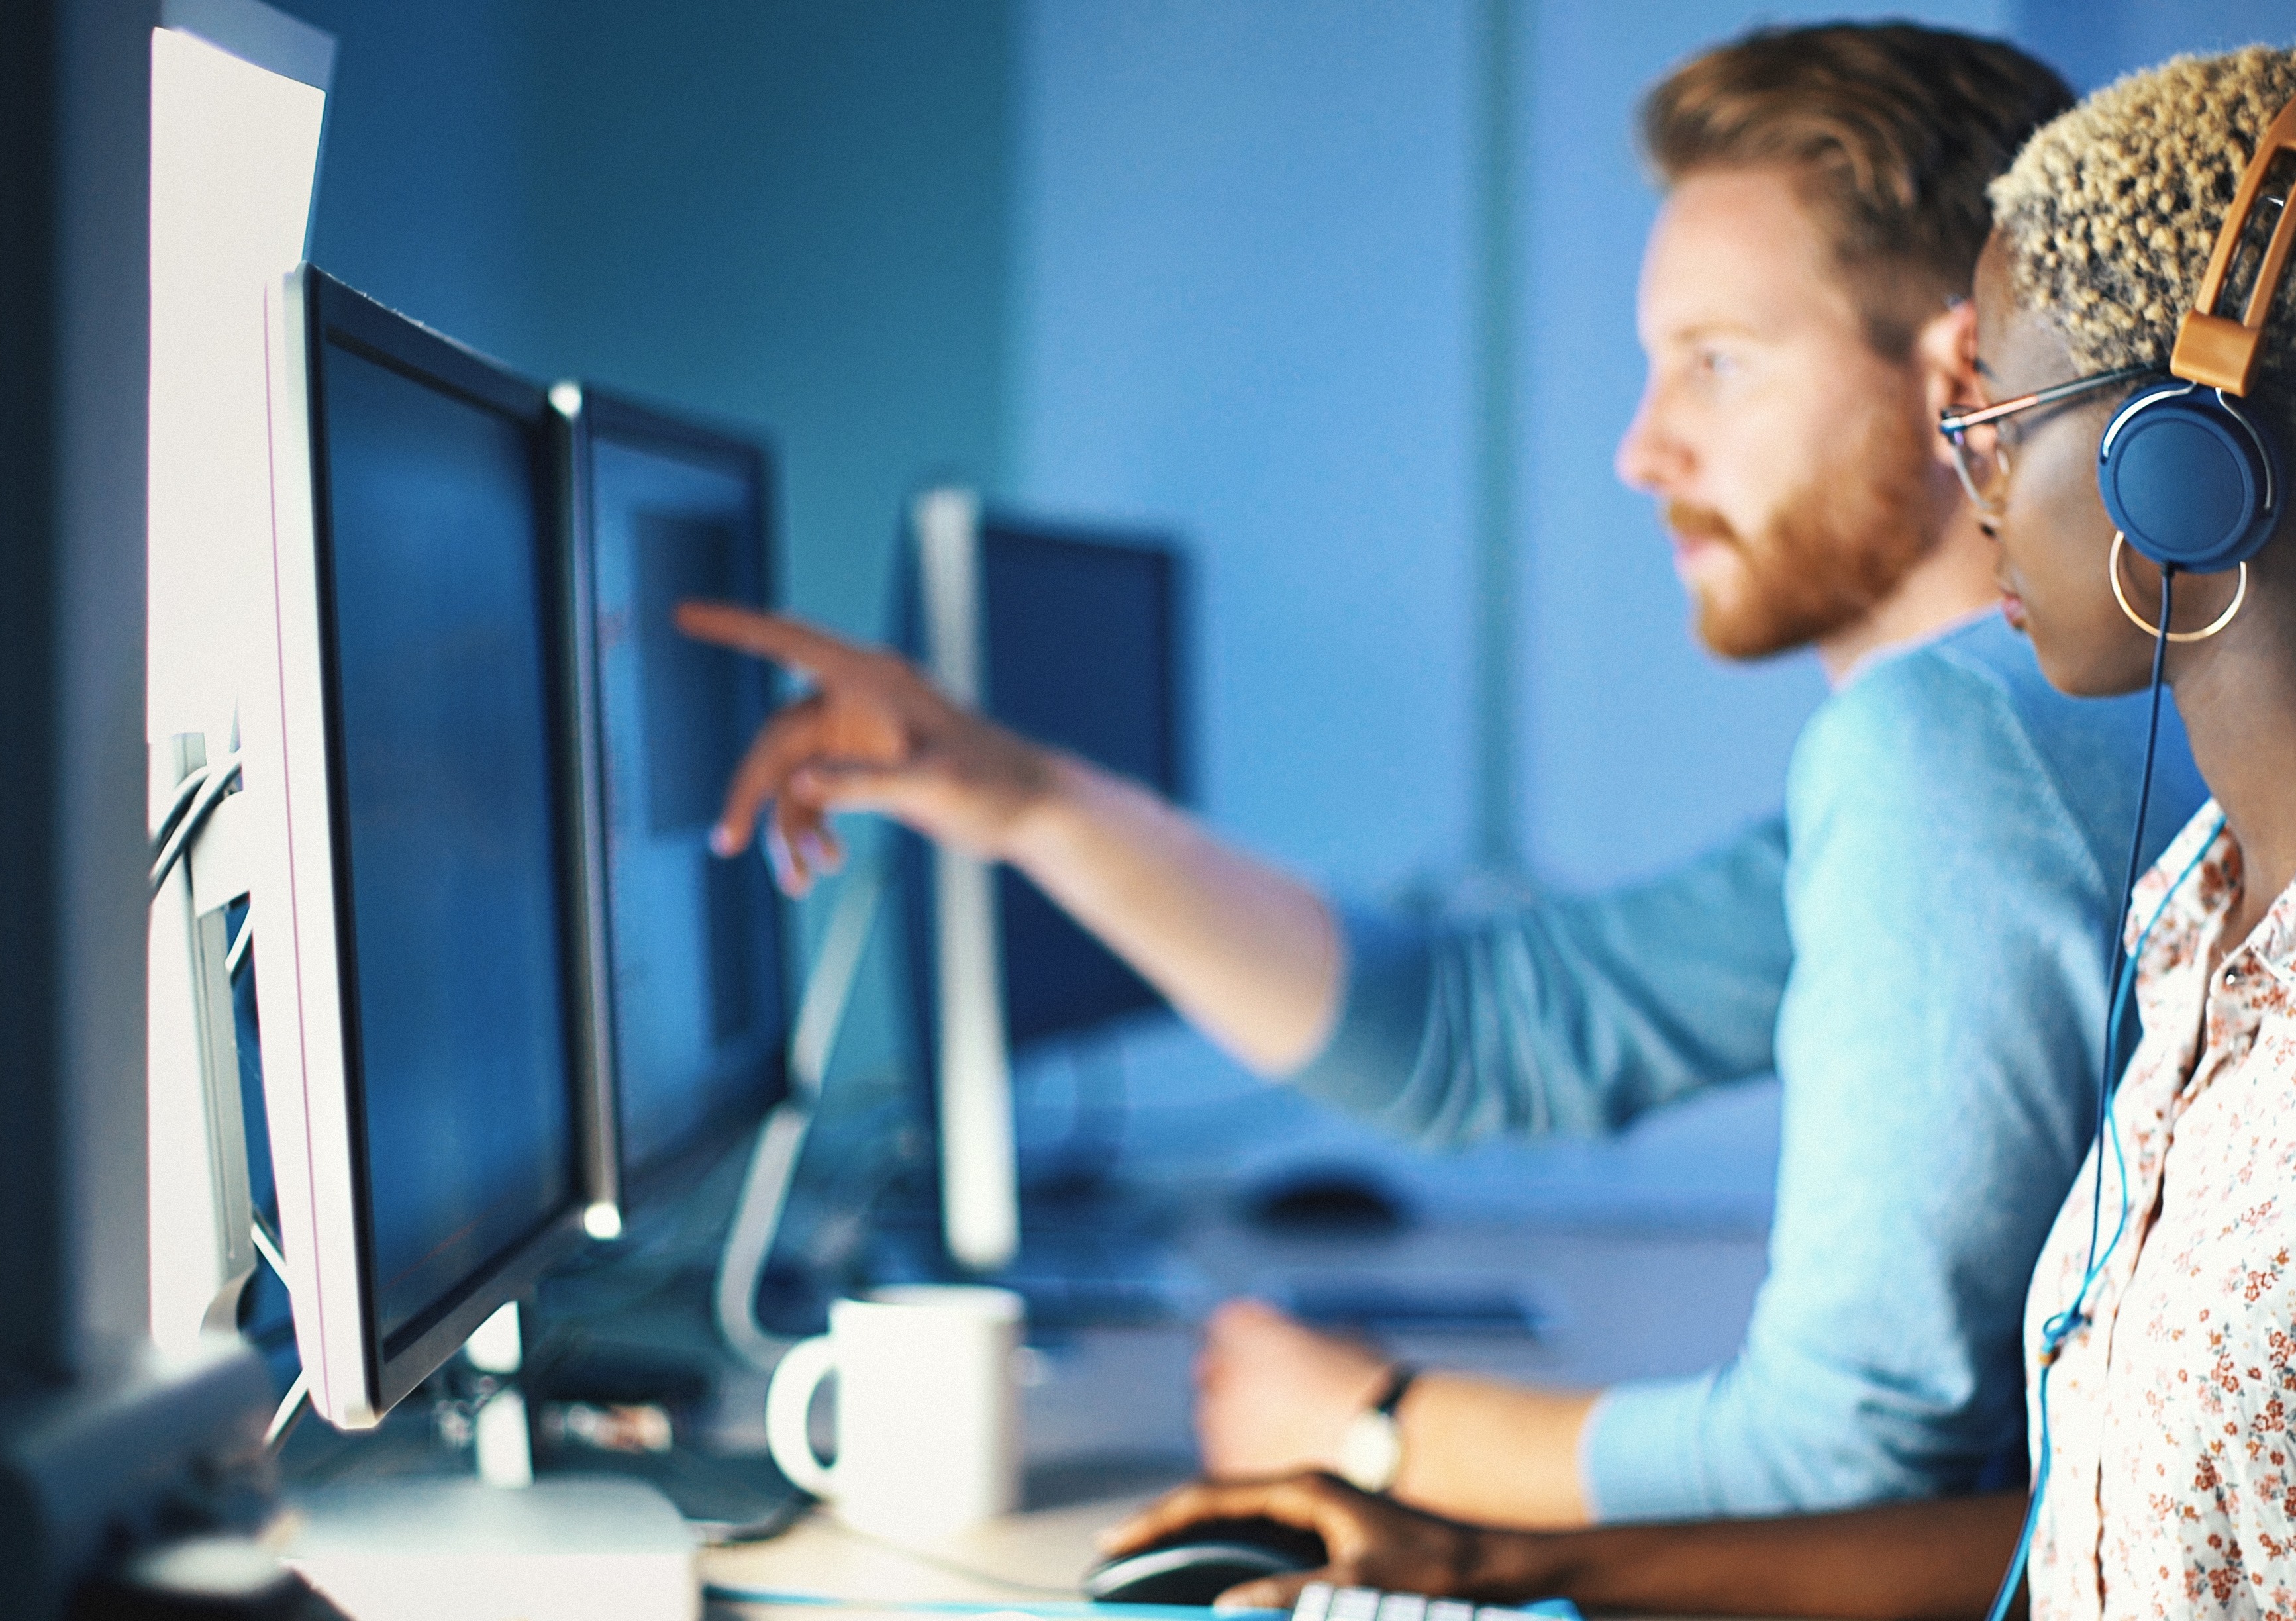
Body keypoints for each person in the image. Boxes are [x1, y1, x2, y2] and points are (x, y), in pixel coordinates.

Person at [1110, 38, 2296, 1620]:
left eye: (1999, 415)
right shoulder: (2211, 923)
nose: (1970, 474)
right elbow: (2072, 1538)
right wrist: (1490, 1561)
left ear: (2189, 462)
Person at [679, 23, 2203, 1531]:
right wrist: (1021, 798)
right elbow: (1476, 1032)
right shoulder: (2040, 725)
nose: (1641, 449)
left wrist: (1373, 1426)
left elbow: (1852, 1462)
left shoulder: (1949, 747)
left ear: (1960, 374)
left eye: (1713, 366)